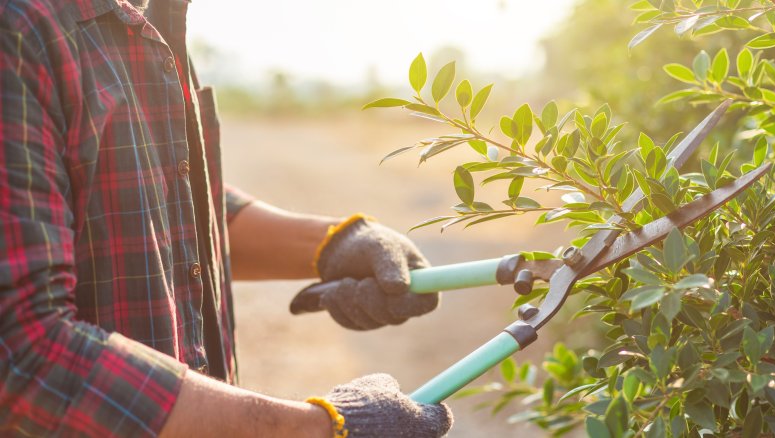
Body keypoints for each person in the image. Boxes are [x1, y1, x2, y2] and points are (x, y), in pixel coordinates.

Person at [0, 0, 453, 436]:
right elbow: (22, 353)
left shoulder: (147, 18)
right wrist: (318, 429)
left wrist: (332, 244)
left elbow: (159, 199)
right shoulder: (20, 28)